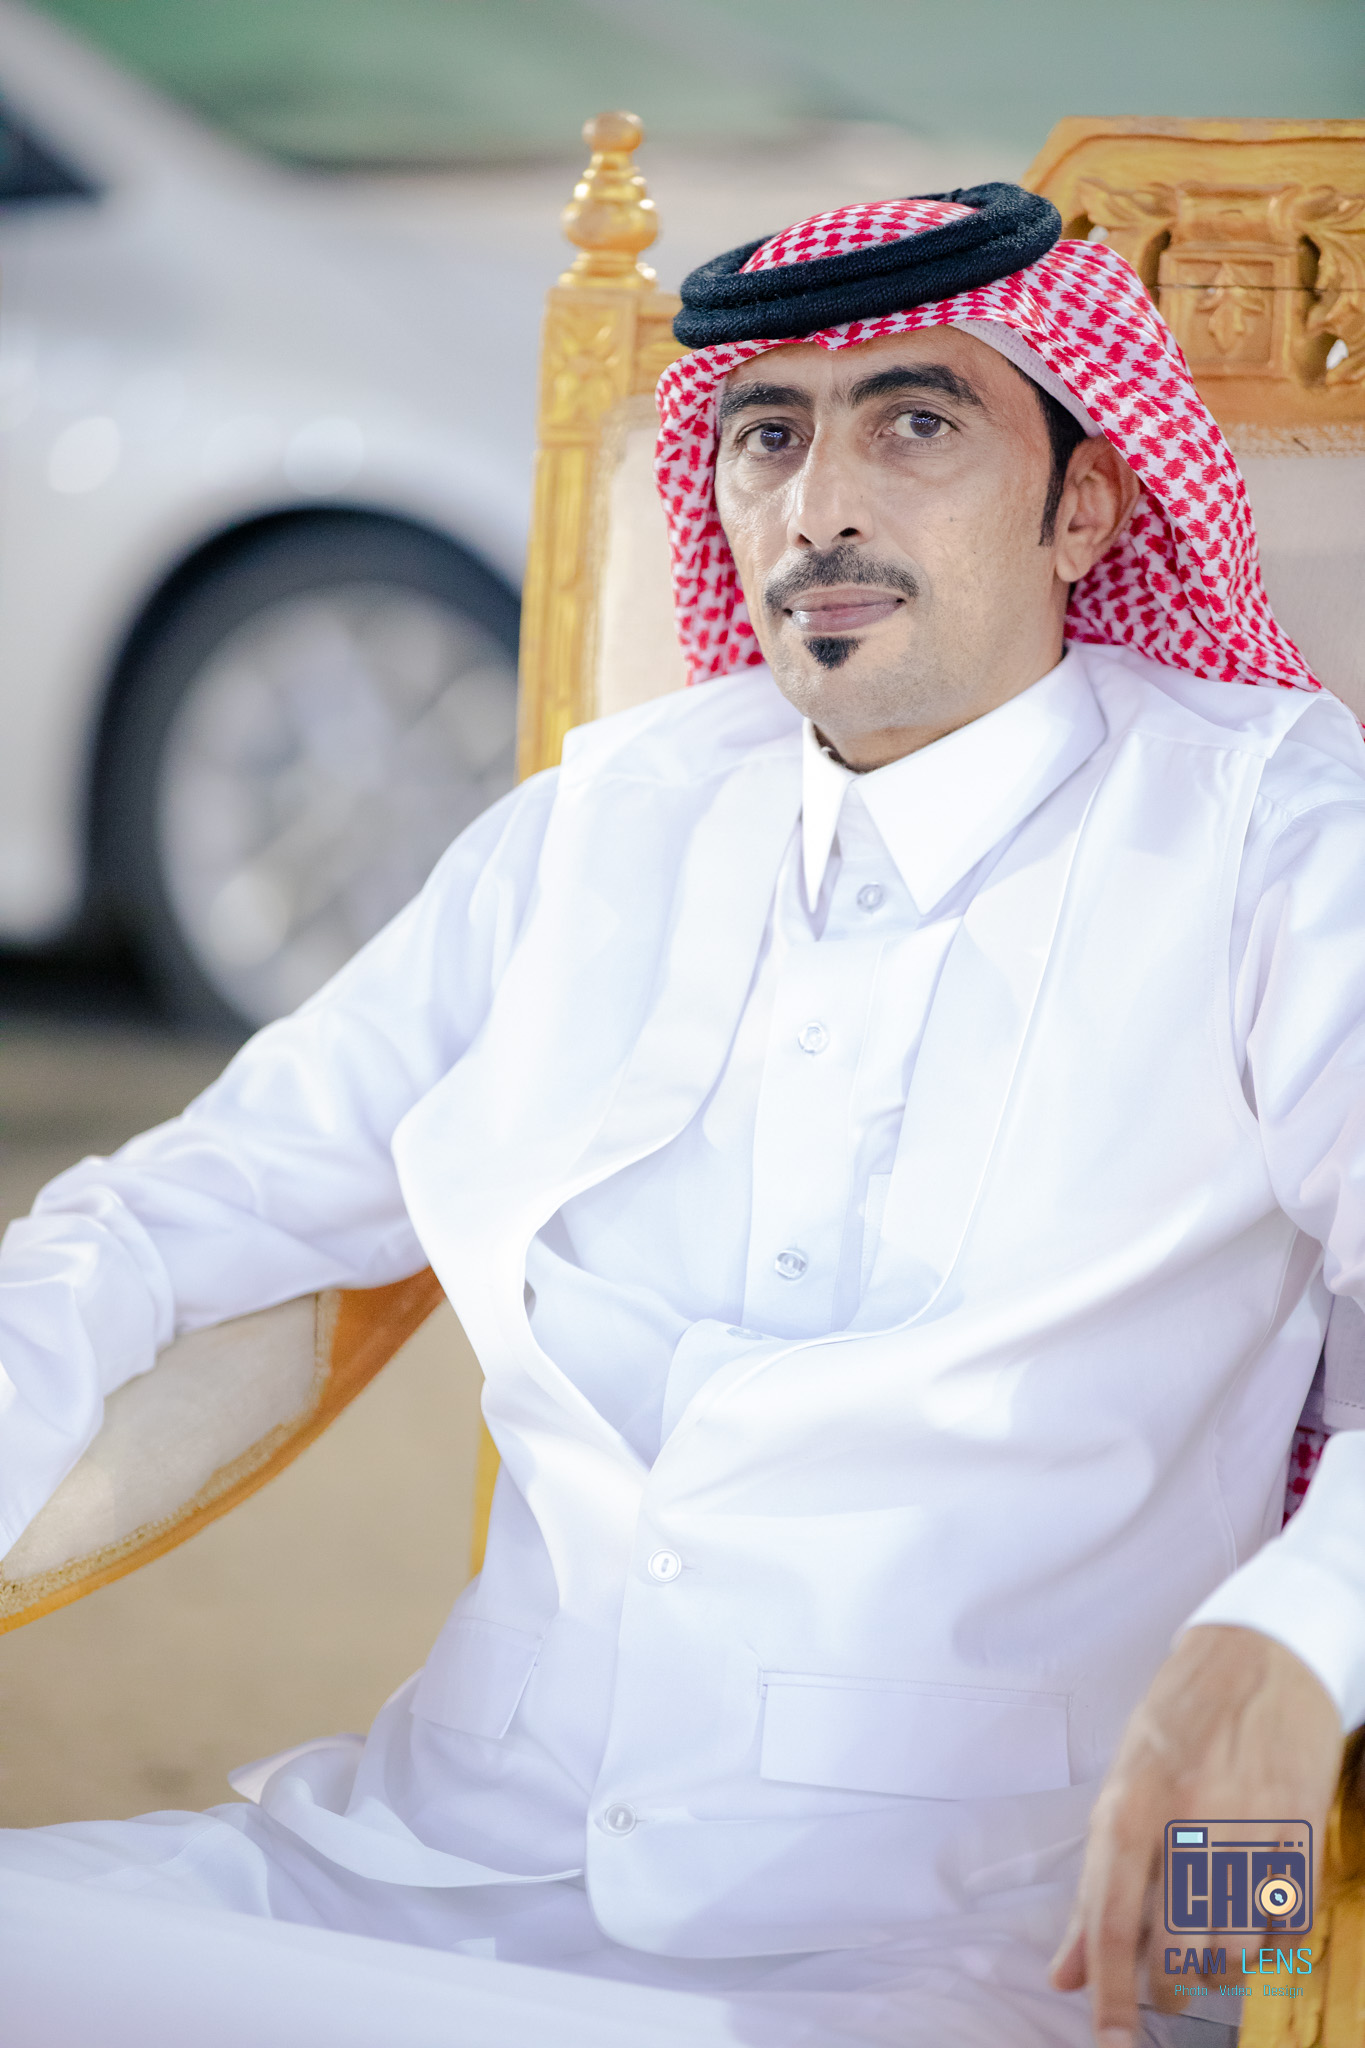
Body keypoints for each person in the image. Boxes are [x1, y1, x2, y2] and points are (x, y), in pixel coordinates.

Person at [0, 184, 1360, 2048]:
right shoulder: (599, 825)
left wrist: (1292, 1653)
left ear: (1086, 505)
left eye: (915, 421)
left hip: (981, 1959)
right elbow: (182, 1213)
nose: (819, 506)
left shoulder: (1275, 838)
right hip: (419, 1881)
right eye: (767, 435)